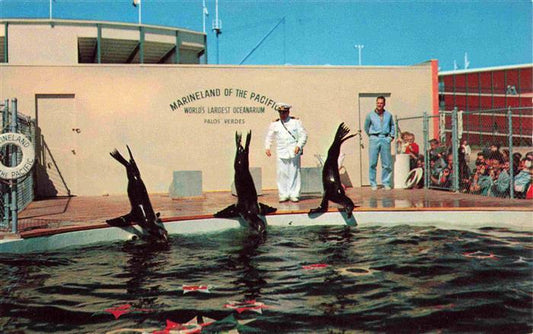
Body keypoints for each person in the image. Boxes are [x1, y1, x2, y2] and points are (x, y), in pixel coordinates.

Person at [265, 102, 308, 202]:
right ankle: (283, 194)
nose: (282, 115)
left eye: (284, 113)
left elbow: (304, 135)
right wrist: (267, 147)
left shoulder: (296, 122)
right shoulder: (275, 124)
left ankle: (294, 194)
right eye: (280, 113)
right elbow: (269, 136)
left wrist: (299, 146)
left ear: (288, 112)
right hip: (281, 151)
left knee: (294, 172)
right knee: (281, 173)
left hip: (293, 151)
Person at [364, 96, 395, 190]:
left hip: (385, 138)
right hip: (374, 138)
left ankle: (386, 182)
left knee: (386, 163)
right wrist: (371, 136)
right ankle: (373, 183)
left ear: (384, 104)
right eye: (378, 103)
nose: (379, 105)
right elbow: (366, 126)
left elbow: (392, 126)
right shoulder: (370, 115)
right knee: (372, 163)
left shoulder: (389, 115)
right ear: (376, 103)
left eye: (381, 103)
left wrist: (391, 137)